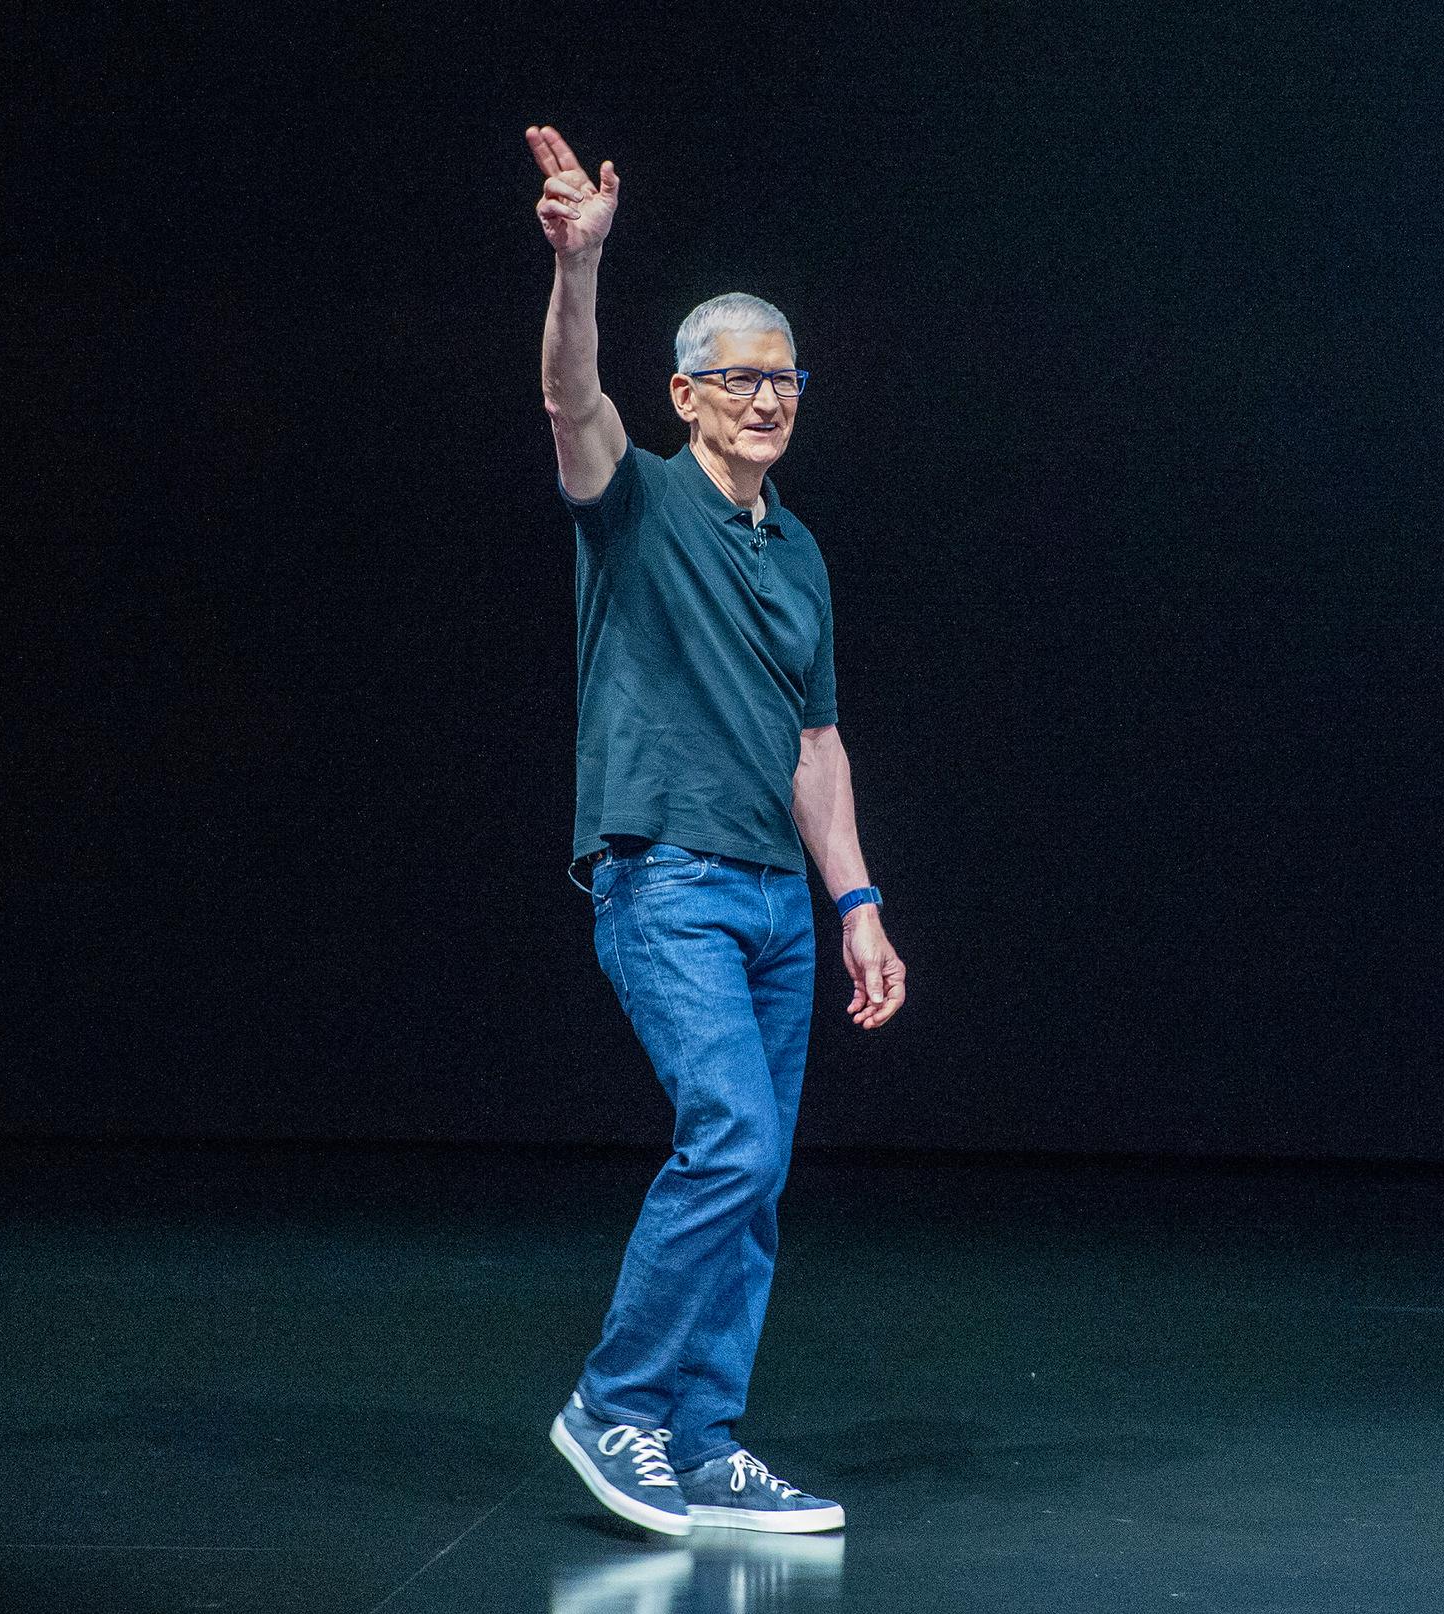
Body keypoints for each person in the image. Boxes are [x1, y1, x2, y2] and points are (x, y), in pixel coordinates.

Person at [524, 123, 908, 1538]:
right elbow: (571, 399)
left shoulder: (796, 551)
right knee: (731, 1136)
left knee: (757, 1179)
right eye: (740, 378)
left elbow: (816, 743)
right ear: (685, 394)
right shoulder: (637, 504)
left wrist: (856, 900)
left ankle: (700, 1439)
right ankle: (612, 1406)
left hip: (772, 902)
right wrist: (582, 266)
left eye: (785, 377)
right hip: (663, 877)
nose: (768, 397)